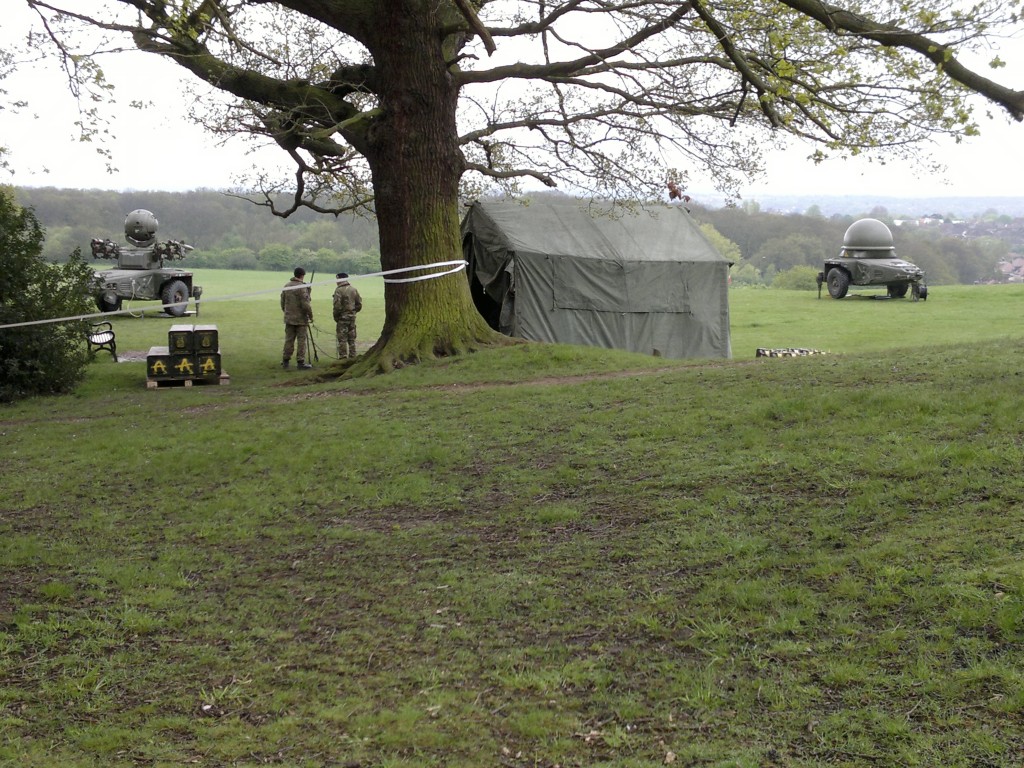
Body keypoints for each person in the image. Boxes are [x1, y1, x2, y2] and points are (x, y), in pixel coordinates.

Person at [281, 267, 313, 369]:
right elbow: (305, 304)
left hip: (289, 318)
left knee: (289, 340)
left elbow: (282, 302)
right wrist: (310, 315)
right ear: (302, 275)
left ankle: (286, 361)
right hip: (300, 319)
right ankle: (300, 362)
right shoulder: (302, 287)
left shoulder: (287, 286)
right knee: (301, 340)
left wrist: (287, 312)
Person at [332, 272, 363, 359]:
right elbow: (359, 304)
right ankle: (353, 356)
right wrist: (353, 312)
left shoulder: (338, 290)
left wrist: (336, 316)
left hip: (342, 318)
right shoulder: (353, 289)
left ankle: (343, 357)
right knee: (352, 338)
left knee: (342, 339)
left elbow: (337, 306)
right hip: (352, 317)